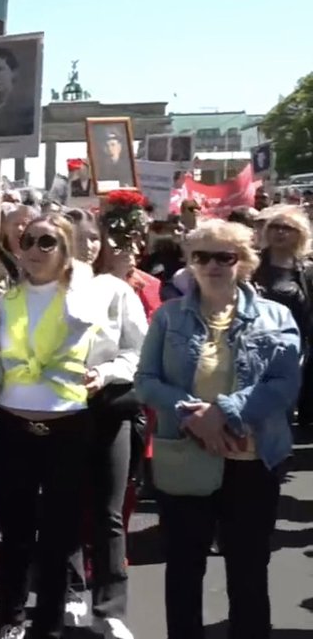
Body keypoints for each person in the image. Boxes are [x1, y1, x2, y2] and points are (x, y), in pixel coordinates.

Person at [135, 219, 300, 639]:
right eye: (200, 256)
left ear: (242, 262)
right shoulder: (169, 318)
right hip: (187, 458)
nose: (211, 265)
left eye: (223, 256)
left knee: (248, 569)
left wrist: (223, 412)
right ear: (189, 263)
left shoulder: (275, 315)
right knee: (184, 568)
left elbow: (284, 383)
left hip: (252, 458)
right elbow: (147, 381)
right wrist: (192, 414)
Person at [0, 214, 100, 639]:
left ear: (66, 250)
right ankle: (12, 615)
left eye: (48, 242)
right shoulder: (5, 301)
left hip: (68, 426)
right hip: (15, 424)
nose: (36, 250)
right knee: (16, 530)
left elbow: (116, 350)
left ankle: (48, 622)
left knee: (60, 534)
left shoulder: (84, 297)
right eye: (29, 240)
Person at [63, 211, 148, 639]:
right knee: (66, 503)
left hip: (109, 406)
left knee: (108, 511)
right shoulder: (38, 290)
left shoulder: (115, 290)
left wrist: (107, 374)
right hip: (57, 410)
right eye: (78, 237)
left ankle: (111, 606)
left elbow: (138, 350)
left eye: (94, 238)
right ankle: (73, 591)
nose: (88, 245)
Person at [252, 206, 313, 429]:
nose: (280, 232)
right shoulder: (252, 265)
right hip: (251, 343)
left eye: (287, 228)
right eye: (275, 227)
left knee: (282, 405)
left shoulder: (306, 271)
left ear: (301, 233)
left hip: (291, 348)